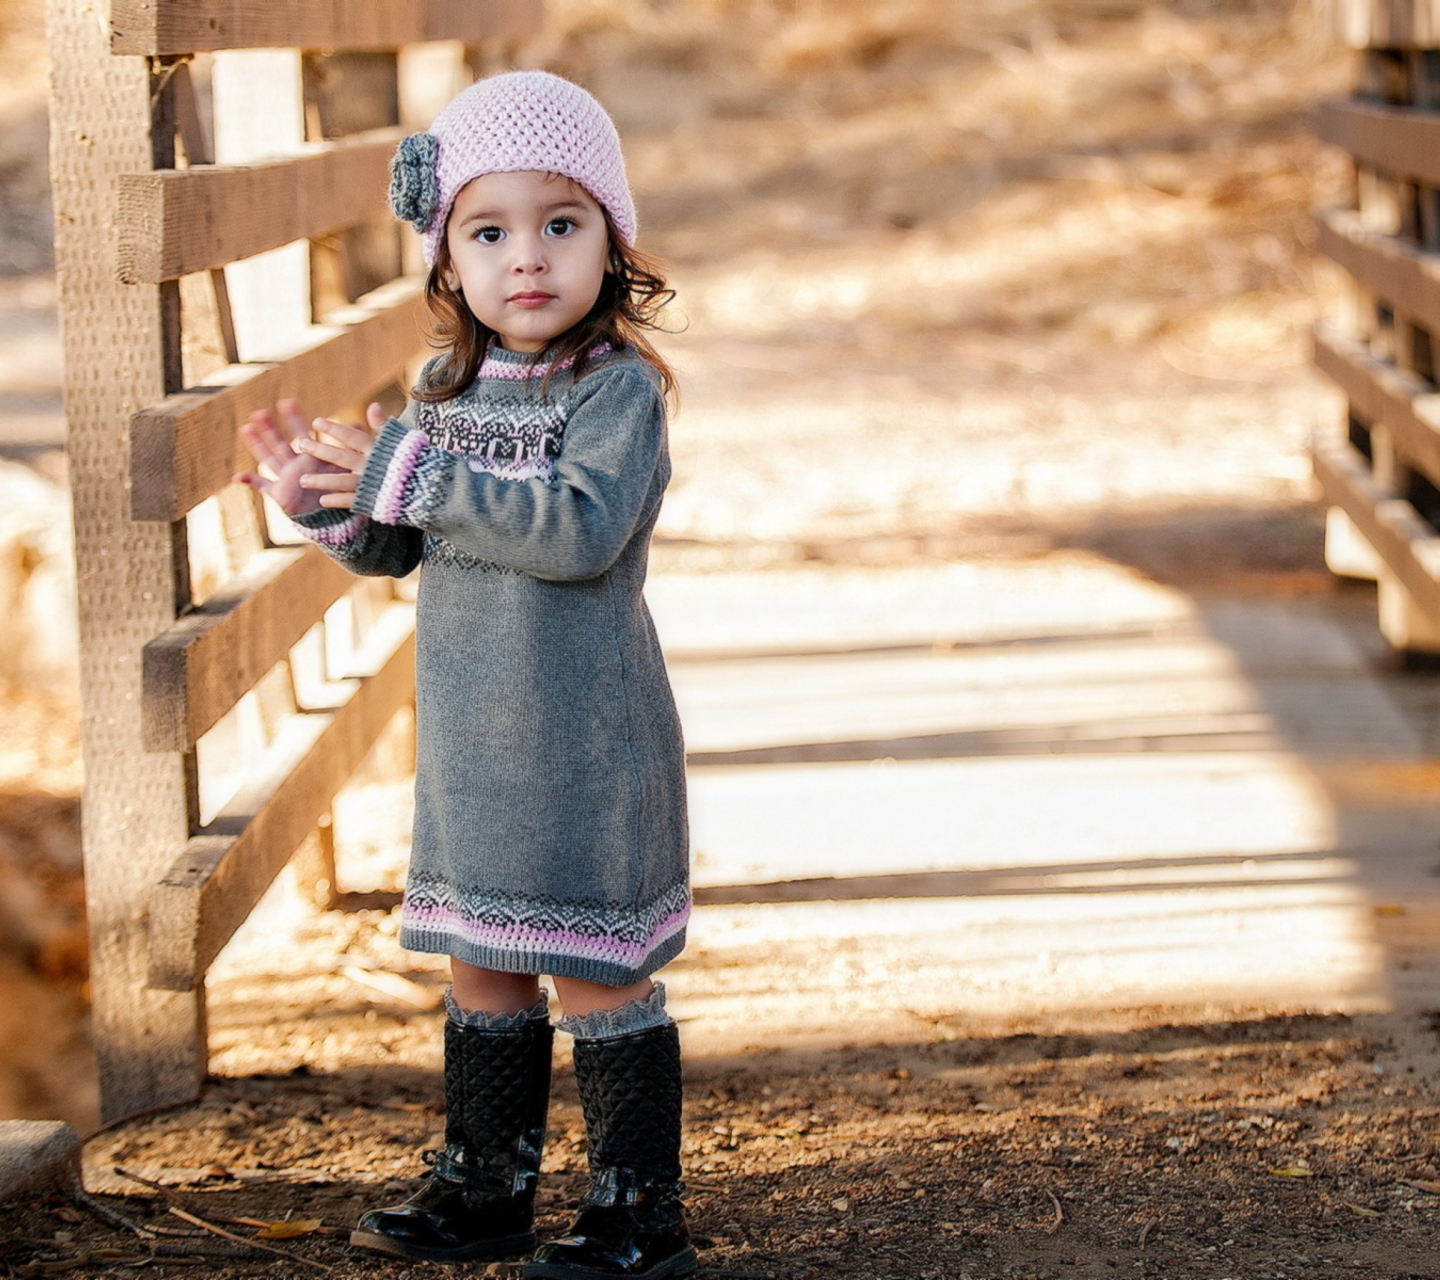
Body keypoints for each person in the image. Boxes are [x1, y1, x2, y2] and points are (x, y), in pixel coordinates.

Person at [234, 70, 695, 1280]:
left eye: (562, 223)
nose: (526, 258)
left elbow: (578, 530)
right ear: (449, 262)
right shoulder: (441, 394)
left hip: (589, 744)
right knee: (484, 960)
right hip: (479, 749)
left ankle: (636, 1203)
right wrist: (324, 506)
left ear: (613, 239)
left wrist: (413, 474)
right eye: (488, 232)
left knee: (596, 969)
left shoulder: (618, 395)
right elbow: (401, 543)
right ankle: (488, 1181)